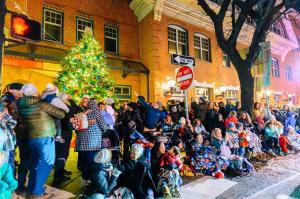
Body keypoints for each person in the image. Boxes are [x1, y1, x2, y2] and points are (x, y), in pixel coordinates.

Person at [18, 84, 65, 198]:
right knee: (46, 164)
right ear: (35, 93)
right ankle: (37, 192)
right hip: (45, 137)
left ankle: (32, 188)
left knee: (35, 164)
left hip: (31, 137)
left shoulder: (21, 104)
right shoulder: (41, 104)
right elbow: (61, 114)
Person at [75, 100, 109, 187]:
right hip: (93, 143)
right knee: (94, 162)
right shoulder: (96, 113)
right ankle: (93, 181)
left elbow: (76, 127)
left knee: (85, 162)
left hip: (82, 143)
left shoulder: (81, 114)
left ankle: (84, 179)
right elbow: (104, 126)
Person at [54, 93, 83, 181]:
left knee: (59, 151)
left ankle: (60, 170)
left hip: (58, 131)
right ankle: (58, 173)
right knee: (63, 152)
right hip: (65, 132)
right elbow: (79, 109)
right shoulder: (66, 108)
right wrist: (71, 100)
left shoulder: (55, 107)